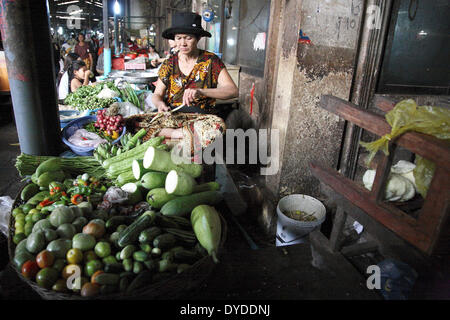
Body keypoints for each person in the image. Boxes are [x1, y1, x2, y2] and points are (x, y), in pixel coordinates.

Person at [150, 12, 238, 146]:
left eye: (188, 38)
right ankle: (180, 133)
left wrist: (201, 92)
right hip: (172, 116)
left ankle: (184, 133)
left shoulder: (210, 61)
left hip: (202, 117)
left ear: (198, 38)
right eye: (178, 38)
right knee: (141, 126)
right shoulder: (169, 64)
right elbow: (157, 95)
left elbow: (232, 91)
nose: (182, 43)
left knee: (216, 129)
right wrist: (160, 104)